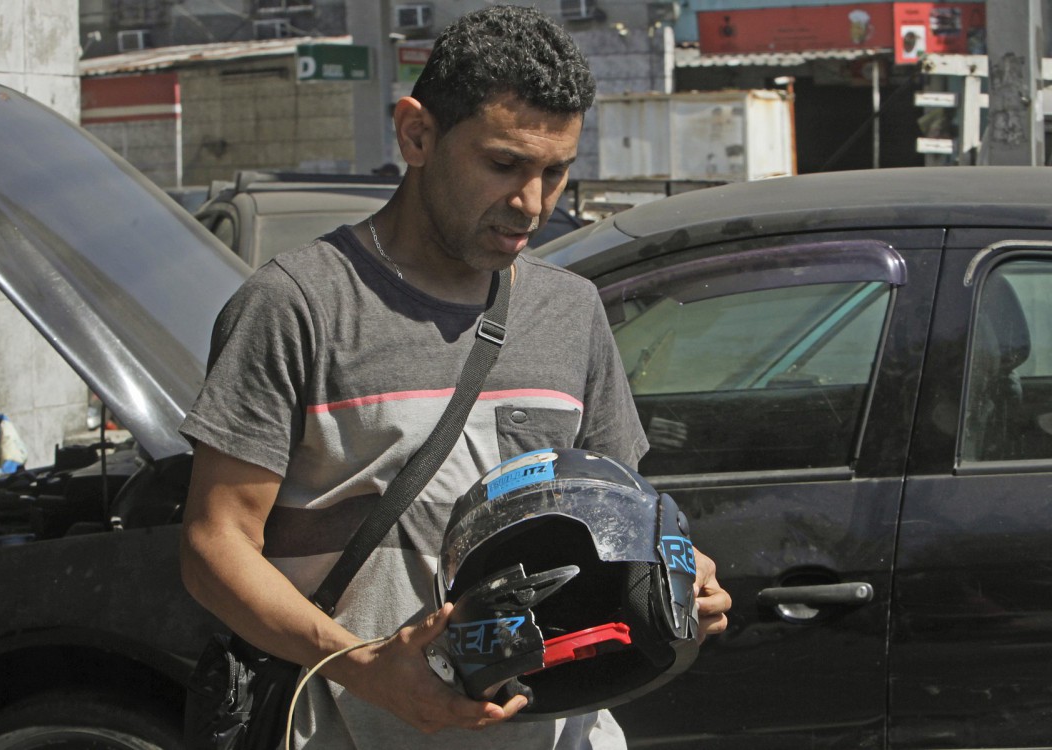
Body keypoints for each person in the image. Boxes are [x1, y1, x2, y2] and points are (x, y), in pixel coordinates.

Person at [179, 5, 731, 749]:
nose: (532, 203)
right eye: (504, 164)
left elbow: (620, 521)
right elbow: (215, 548)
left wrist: (681, 577)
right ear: (417, 134)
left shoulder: (571, 310)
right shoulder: (296, 305)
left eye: (555, 172)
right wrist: (363, 666)